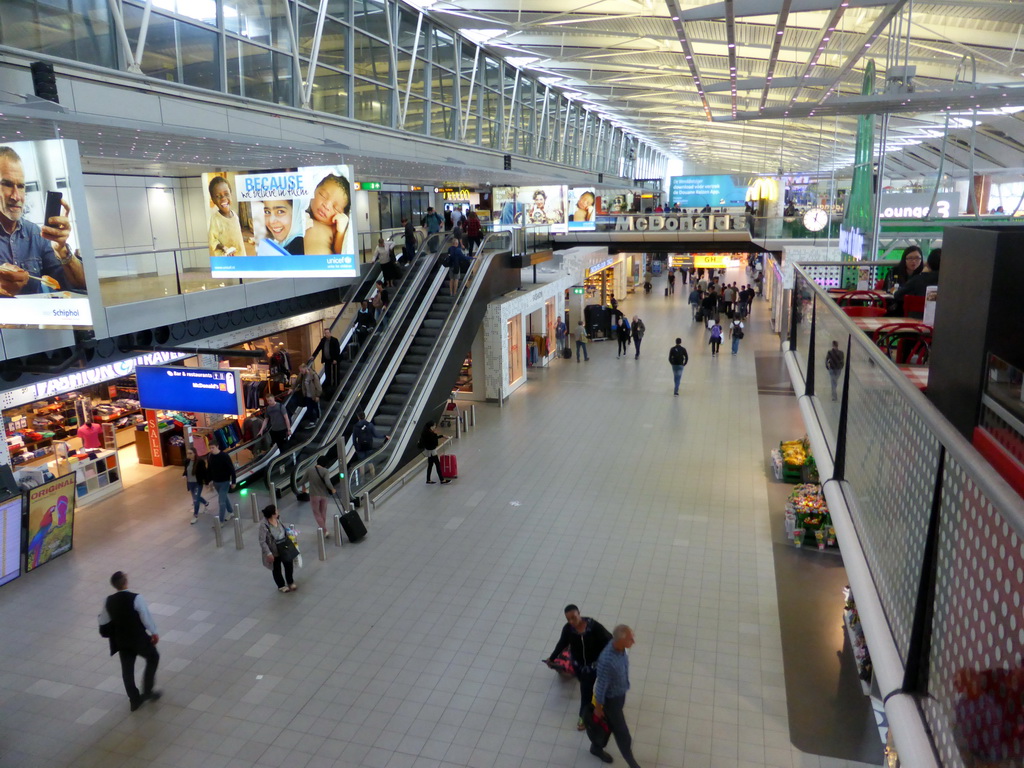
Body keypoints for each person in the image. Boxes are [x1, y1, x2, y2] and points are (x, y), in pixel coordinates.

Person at [0, 146, 86, 297]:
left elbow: (79, 285)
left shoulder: (36, 234)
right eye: (6, 184)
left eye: (20, 186)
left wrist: (62, 250)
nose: (16, 196)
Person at [97, 571, 161, 712]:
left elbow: (103, 621)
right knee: (153, 657)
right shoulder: (136, 598)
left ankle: (134, 699)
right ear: (125, 582)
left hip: (121, 640)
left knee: (127, 670)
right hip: (138, 639)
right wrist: (154, 632)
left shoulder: (108, 600)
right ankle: (148, 691)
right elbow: (145, 617)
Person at [545, 605, 613, 731]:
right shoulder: (568, 630)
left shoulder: (593, 627)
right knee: (586, 692)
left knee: (604, 689)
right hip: (582, 668)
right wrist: (552, 657)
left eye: (573, 618)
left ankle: (603, 708)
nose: (571, 622)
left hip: (598, 665)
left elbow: (609, 640)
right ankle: (584, 716)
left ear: (579, 614)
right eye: (568, 619)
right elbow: (562, 643)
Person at [591, 625, 641, 768]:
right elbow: (600, 687)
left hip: (619, 695)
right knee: (623, 734)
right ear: (620, 641)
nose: (634, 641)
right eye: (631, 639)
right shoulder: (607, 661)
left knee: (609, 725)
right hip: (611, 701)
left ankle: (596, 747)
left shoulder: (620, 649)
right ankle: (633, 764)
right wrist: (598, 708)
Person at [305, 173, 351, 255]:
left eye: (336, 208)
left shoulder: (333, 228)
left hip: (324, 264)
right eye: (323, 195)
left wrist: (340, 231)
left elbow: (340, 251)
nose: (326, 205)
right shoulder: (302, 215)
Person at [258, 505, 298, 593]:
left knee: (288, 564)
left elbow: (283, 529)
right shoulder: (264, 525)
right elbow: (262, 541)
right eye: (276, 510)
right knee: (276, 568)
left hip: (284, 546)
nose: (278, 511)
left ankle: (290, 581)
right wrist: (268, 553)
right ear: (272, 514)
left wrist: (291, 533)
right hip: (274, 550)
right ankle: (281, 585)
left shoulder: (278, 519)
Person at [206, 176, 246, 258]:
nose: (223, 198)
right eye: (218, 196)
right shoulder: (215, 219)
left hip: (241, 256)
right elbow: (212, 241)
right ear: (213, 200)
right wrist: (223, 248)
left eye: (226, 194)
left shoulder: (235, 215)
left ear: (231, 194)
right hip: (228, 260)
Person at [893, 248, 940, 316]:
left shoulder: (919, 279)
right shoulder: (952, 282)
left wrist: (923, 275)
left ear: (927, 263)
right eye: (910, 258)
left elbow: (897, 295)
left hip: (916, 319)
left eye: (917, 258)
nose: (914, 261)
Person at [303, 456, 335, 537]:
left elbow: (302, 481)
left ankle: (324, 530)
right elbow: (327, 482)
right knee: (323, 512)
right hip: (324, 495)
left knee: (317, 513)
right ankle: (324, 529)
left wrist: (303, 486)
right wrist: (332, 489)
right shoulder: (325, 471)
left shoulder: (309, 470)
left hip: (314, 495)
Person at [205, 442, 236, 523]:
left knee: (221, 502)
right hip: (216, 482)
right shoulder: (210, 456)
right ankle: (231, 511)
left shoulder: (224, 456)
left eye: (213, 447)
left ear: (217, 446)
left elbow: (231, 469)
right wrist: (208, 481)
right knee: (224, 497)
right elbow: (209, 469)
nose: (211, 449)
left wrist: (233, 481)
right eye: (210, 448)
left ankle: (221, 521)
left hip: (224, 482)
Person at [352, 411, 388, 479]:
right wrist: (385, 436)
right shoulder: (370, 425)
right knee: (370, 463)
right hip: (369, 446)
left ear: (358, 417)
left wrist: (357, 449)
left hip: (360, 448)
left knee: (361, 465)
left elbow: (354, 440)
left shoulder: (356, 427)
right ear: (364, 416)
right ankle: (373, 477)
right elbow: (376, 435)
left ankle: (362, 481)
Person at [183, 449, 210, 524]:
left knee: (195, 499)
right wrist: (184, 475)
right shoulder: (187, 461)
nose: (188, 455)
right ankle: (205, 502)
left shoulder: (200, 462)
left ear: (195, 453)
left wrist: (207, 483)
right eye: (187, 453)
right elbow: (186, 470)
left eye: (190, 453)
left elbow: (204, 473)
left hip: (198, 483)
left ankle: (195, 515)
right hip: (190, 483)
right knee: (196, 497)